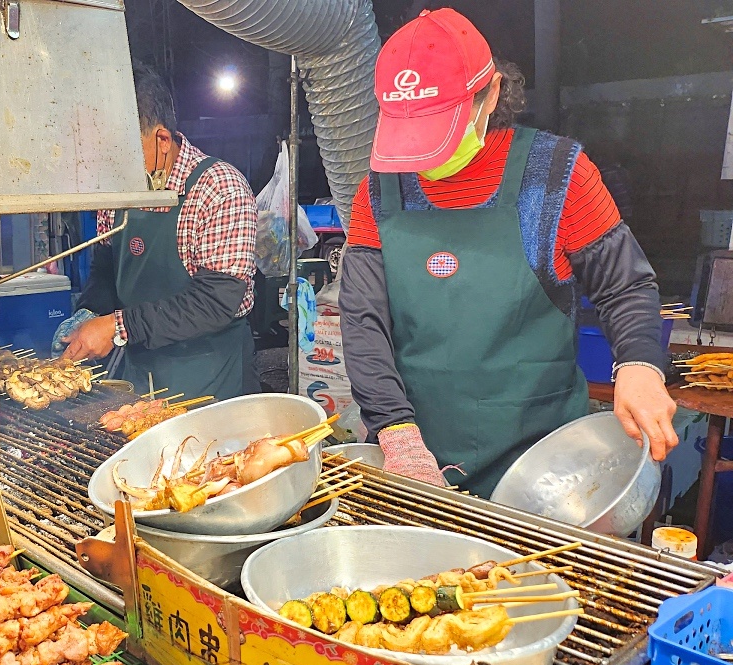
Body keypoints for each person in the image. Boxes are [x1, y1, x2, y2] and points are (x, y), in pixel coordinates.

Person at [339, 8, 677, 497]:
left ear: (490, 93)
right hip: (415, 452)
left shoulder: (558, 176)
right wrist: (395, 433)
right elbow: (362, 321)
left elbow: (625, 286)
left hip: (542, 466)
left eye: (440, 127)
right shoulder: (377, 192)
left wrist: (640, 365)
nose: (424, 156)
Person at [55, 64, 259, 400]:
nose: (112, 169)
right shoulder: (121, 192)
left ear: (161, 140)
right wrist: (89, 312)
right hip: (142, 372)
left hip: (212, 376)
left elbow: (215, 302)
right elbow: (106, 270)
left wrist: (116, 326)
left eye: (121, 156)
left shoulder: (219, 188)